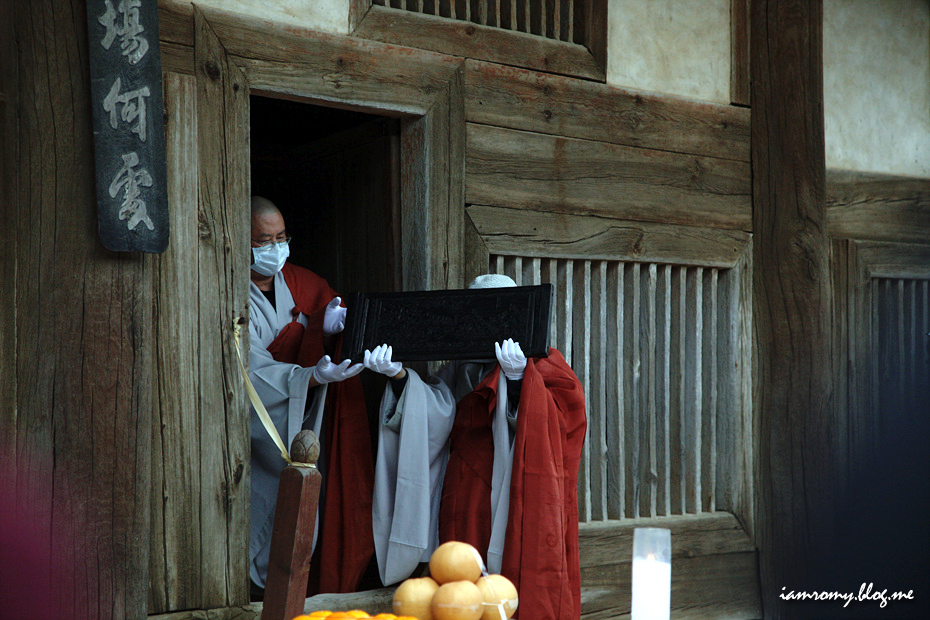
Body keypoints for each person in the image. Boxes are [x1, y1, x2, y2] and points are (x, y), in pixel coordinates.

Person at [364, 274, 587, 620]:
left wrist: (519, 381)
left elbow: (563, 426)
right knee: (458, 590)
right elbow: (437, 413)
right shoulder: (461, 365)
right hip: (460, 495)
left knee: (503, 591)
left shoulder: (549, 364)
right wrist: (400, 378)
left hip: (512, 496)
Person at [248, 196, 374, 597]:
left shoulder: (304, 284)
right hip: (255, 430)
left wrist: (328, 330)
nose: (276, 249)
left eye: (282, 238)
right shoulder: (221, 290)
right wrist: (309, 377)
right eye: (264, 241)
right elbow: (244, 371)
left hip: (305, 421)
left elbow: (337, 331)